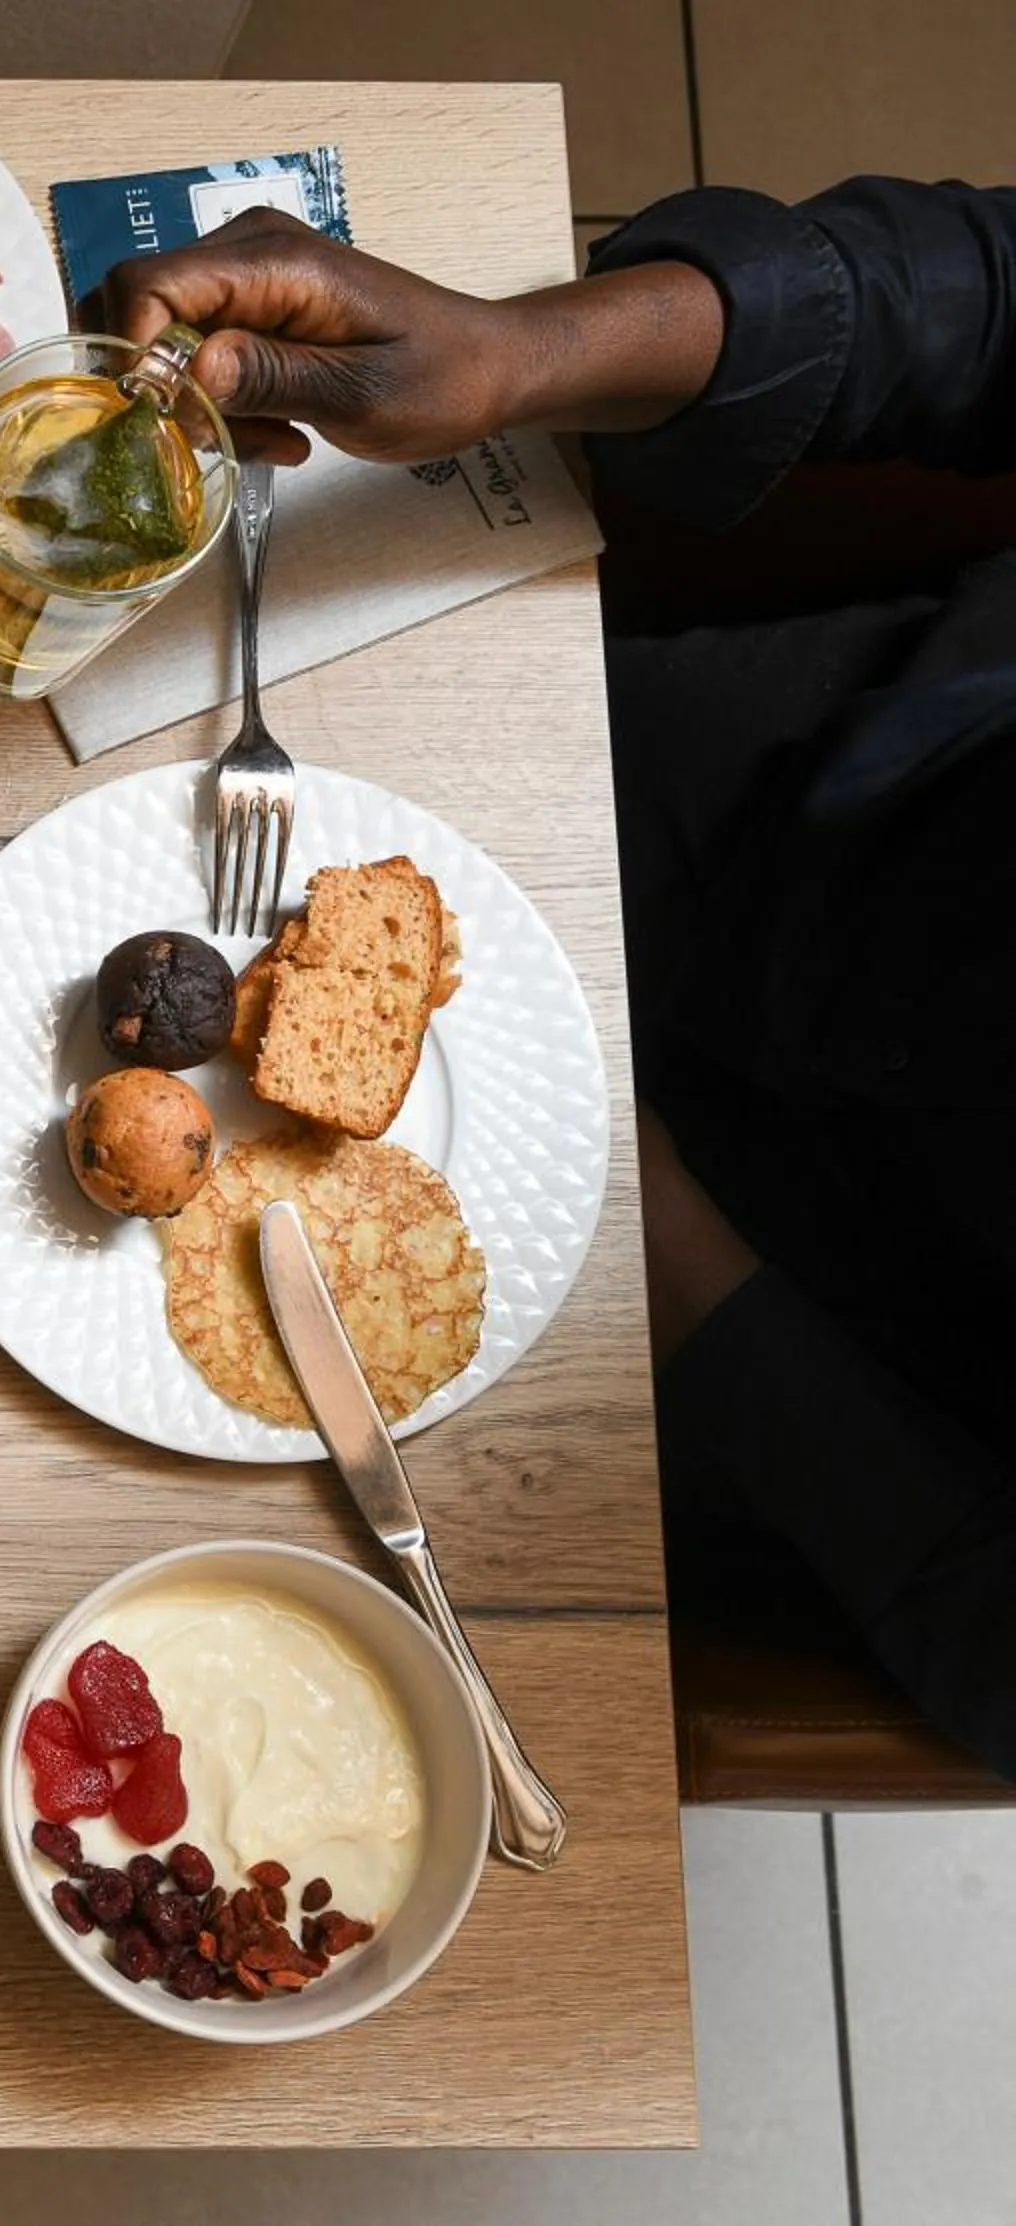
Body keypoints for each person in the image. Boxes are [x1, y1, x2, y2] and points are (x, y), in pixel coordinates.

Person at [102, 178, 1016, 1774]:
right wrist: (522, 356)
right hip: (843, 785)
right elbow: (981, 292)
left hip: (814, 1355)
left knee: (188, 1524)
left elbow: (982, 1618)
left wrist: (649, 1215)